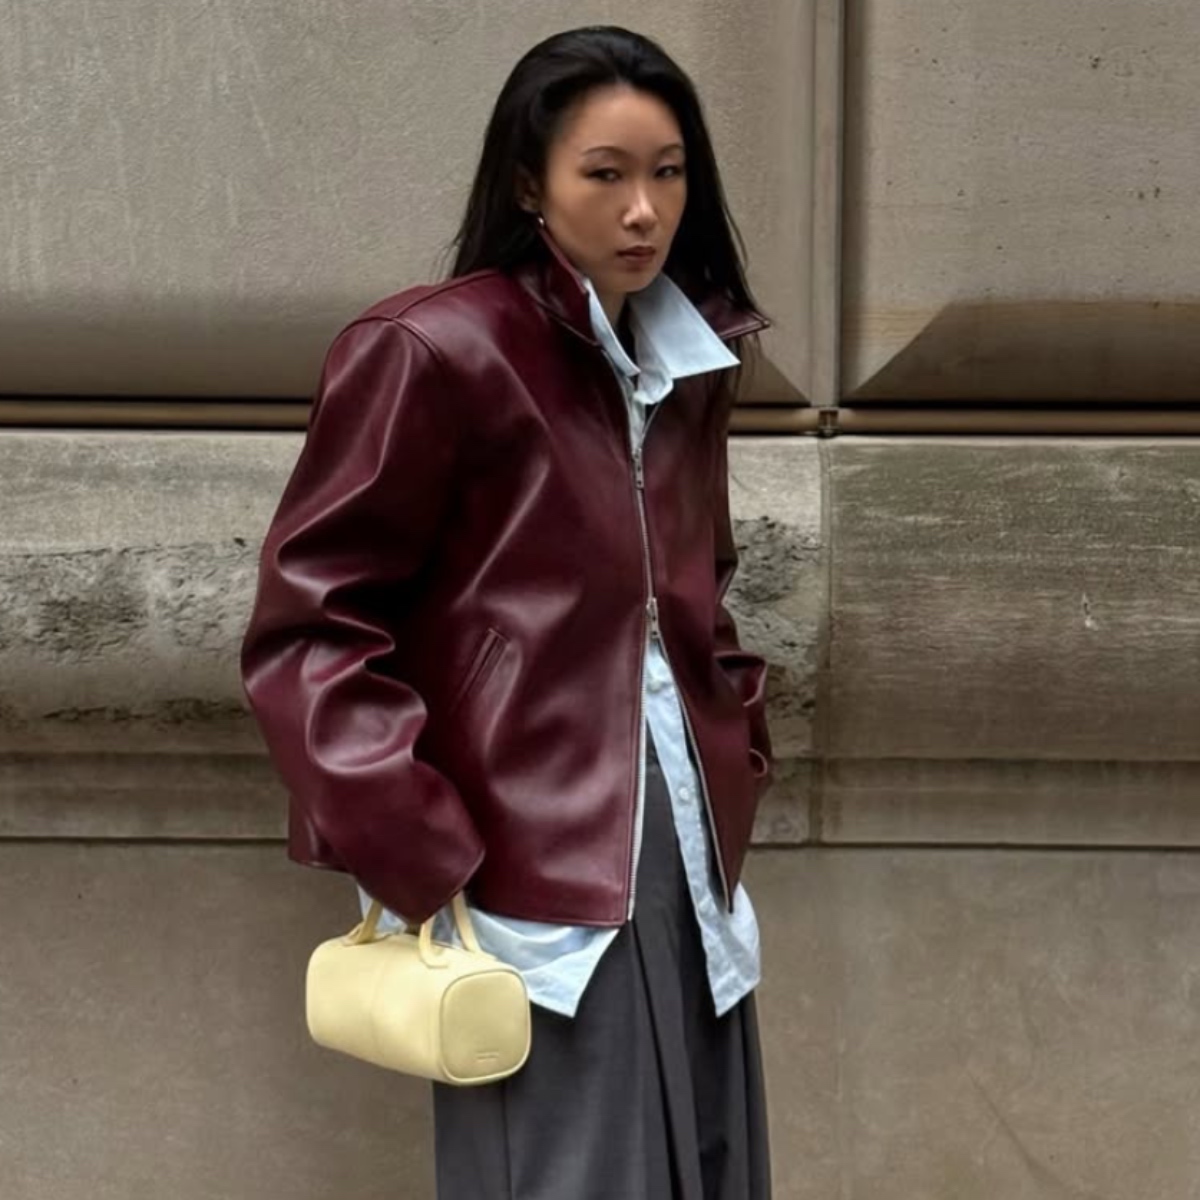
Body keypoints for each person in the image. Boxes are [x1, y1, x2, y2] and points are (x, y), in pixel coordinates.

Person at [240, 24, 774, 1200]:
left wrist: (738, 740)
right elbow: (311, 628)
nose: (644, 209)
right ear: (531, 183)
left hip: (687, 859)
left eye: (668, 172)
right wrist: (421, 844)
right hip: (525, 878)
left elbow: (698, 589)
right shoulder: (432, 352)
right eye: (606, 174)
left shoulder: (688, 359)